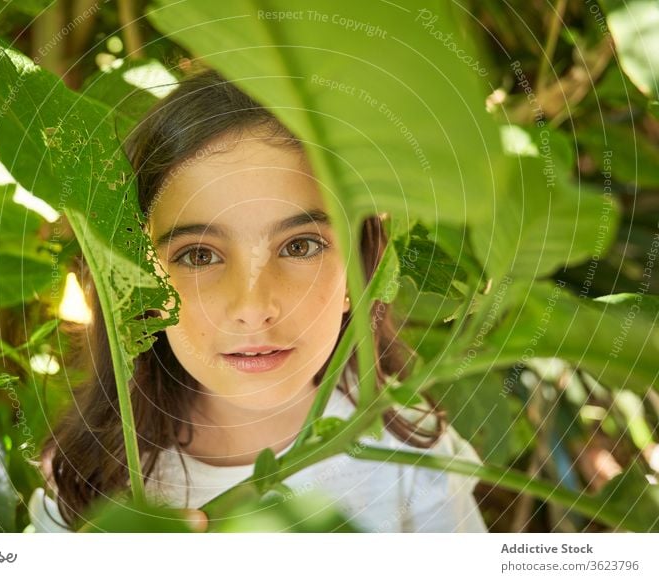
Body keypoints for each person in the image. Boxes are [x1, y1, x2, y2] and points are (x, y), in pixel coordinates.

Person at [28, 69, 488, 533]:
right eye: (199, 255)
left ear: (359, 273)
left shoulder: (415, 463)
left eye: (300, 246)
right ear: (134, 279)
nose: (252, 306)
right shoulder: (86, 489)